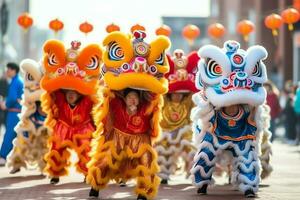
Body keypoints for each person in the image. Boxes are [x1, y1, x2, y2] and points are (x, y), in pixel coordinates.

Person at [40, 40, 102, 184]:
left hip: (83, 127)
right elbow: (50, 89)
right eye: (68, 92)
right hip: (63, 126)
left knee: (87, 149)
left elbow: (95, 91)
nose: (71, 94)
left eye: (74, 92)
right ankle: (54, 173)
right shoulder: (60, 99)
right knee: (56, 148)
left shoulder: (87, 101)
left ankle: (88, 174)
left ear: (80, 93)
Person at [8, 59, 49, 174]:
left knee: (44, 146)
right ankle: (16, 164)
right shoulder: (30, 89)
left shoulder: (49, 90)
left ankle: (44, 167)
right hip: (30, 120)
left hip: (45, 122)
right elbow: (27, 98)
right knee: (21, 142)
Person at [0, 63, 23, 166]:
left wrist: (5, 104)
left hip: (14, 112)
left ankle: (2, 156)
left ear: (13, 70)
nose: (7, 71)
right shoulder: (18, 80)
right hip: (18, 112)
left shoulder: (15, 81)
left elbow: (13, 98)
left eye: (8, 69)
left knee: (9, 134)